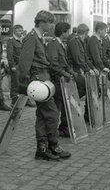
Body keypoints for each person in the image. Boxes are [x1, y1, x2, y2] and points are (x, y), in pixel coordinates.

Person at [18, 10, 71, 161]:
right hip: (38, 80)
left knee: (42, 115)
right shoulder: (32, 38)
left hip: (43, 79)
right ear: (41, 22)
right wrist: (25, 85)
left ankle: (42, 148)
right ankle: (53, 145)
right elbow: (24, 63)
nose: (52, 25)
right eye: (50, 22)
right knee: (52, 113)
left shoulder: (39, 37)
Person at [45, 21, 77, 137]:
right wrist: (65, 73)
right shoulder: (53, 44)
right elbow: (53, 64)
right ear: (63, 32)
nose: (69, 33)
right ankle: (59, 128)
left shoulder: (61, 44)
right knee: (61, 104)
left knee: (64, 104)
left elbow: (64, 62)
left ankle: (63, 127)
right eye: (67, 31)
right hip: (57, 79)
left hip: (63, 78)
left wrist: (71, 72)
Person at [7, 24, 35, 107]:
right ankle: (14, 101)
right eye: (20, 30)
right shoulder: (11, 41)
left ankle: (25, 100)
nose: (22, 32)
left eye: (22, 30)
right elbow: (10, 54)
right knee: (15, 84)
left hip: (23, 66)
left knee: (25, 83)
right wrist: (12, 66)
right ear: (15, 31)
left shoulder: (22, 40)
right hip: (16, 66)